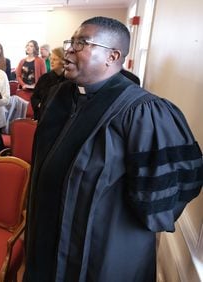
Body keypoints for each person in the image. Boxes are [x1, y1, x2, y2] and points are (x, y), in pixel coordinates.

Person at [24, 16, 203, 282]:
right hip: (45, 234)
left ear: (113, 56)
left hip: (98, 250)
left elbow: (169, 192)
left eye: (82, 43)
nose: (70, 49)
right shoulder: (59, 96)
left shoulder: (143, 112)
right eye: (71, 41)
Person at [30, 47, 66, 120]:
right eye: (51, 59)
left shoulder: (69, 80)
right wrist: (40, 105)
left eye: (55, 59)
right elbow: (34, 97)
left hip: (61, 118)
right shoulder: (44, 78)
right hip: (43, 116)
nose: (51, 62)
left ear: (63, 61)